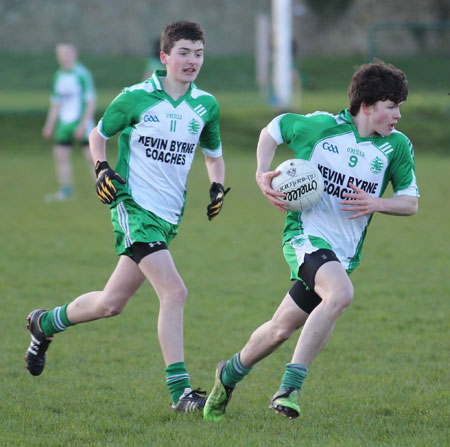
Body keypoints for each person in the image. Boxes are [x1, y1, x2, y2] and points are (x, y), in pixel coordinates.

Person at [25, 20, 229, 413]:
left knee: (110, 303)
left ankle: (44, 323)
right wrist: (102, 168)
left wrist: (217, 186)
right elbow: (97, 135)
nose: (192, 61)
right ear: (165, 56)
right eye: (184, 53)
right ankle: (180, 393)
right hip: (132, 206)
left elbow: (214, 155)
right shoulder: (135, 98)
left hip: (169, 216)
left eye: (199, 54)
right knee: (175, 292)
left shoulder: (206, 106)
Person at [203, 60, 419, 422]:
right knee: (341, 294)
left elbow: (411, 202)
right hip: (304, 237)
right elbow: (273, 129)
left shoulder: (396, 148)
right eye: (391, 106)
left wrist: (378, 202)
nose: (398, 114)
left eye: (399, 107)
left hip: (343, 253)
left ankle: (228, 374)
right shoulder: (320, 127)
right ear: (367, 106)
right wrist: (261, 174)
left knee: (279, 330)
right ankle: (290, 387)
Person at [42, 43, 97, 202]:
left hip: (81, 121)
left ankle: (104, 191)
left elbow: (90, 101)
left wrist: (82, 124)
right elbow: (56, 103)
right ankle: (66, 191)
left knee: (92, 158)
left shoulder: (82, 74)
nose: (63, 57)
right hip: (64, 123)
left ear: (74, 54)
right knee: (60, 155)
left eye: (67, 53)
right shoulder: (58, 76)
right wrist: (49, 125)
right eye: (61, 54)